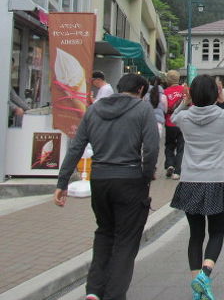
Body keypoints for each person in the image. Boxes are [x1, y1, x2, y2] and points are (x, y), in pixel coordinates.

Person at [54, 73, 159, 300]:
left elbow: (76, 146)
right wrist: (146, 175)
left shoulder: (93, 110)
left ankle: (94, 290)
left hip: (99, 179)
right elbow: (151, 148)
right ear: (141, 90)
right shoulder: (143, 110)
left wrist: (62, 182)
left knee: (104, 232)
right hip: (130, 178)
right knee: (126, 240)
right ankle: (114, 294)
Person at [169, 75, 224, 300]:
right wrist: (221, 101)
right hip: (216, 180)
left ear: (192, 95)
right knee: (217, 232)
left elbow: (173, 116)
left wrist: (185, 101)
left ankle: (197, 286)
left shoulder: (185, 117)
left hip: (190, 180)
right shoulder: (222, 116)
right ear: (215, 93)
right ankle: (205, 274)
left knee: (195, 236)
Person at [164, 70, 185, 179]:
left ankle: (170, 164)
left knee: (169, 145)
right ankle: (177, 172)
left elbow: (164, 108)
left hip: (170, 122)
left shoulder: (165, 92)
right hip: (183, 123)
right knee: (181, 147)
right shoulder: (185, 90)